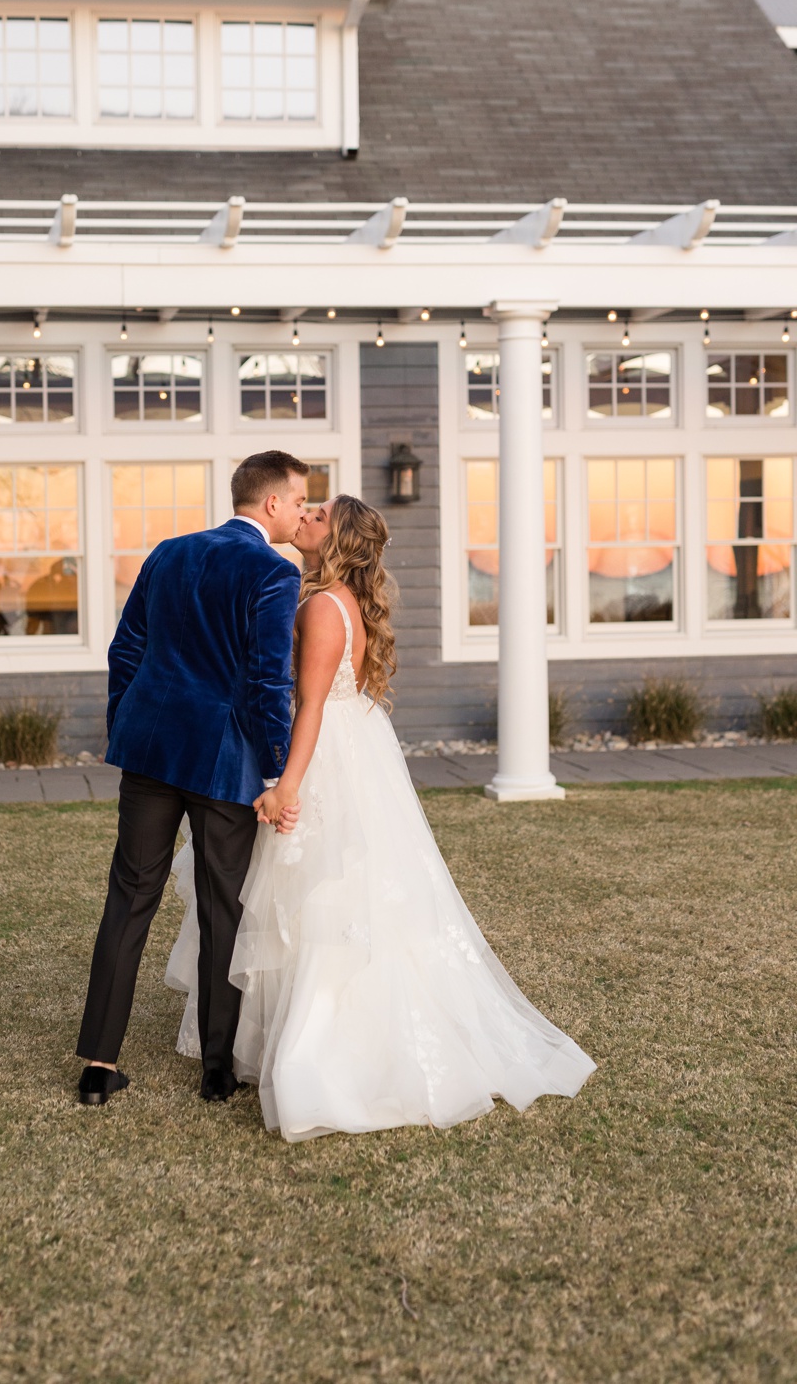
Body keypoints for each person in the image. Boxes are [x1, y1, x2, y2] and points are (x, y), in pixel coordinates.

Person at [163, 496, 595, 1140]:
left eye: (318, 515)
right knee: (325, 896)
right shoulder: (340, 600)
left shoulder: (320, 607)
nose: (304, 516)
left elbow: (308, 706)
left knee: (315, 896)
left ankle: (324, 1049)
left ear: (336, 540)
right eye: (304, 508)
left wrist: (286, 786)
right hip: (353, 748)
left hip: (325, 756)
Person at [76, 449, 308, 1108]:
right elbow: (269, 681)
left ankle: (97, 1065)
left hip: (149, 752)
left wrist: (130, 722)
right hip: (223, 761)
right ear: (269, 504)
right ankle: (216, 1070)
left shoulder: (168, 552)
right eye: (297, 501)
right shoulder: (273, 571)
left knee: (130, 896)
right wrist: (275, 770)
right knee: (222, 906)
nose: (300, 513)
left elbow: (127, 649)